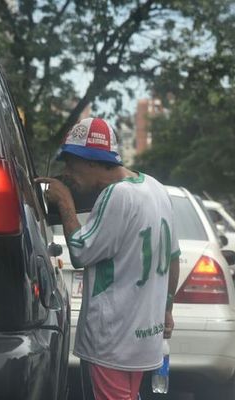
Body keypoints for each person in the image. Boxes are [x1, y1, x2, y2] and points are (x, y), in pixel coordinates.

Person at [37, 117, 180, 400]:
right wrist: (167, 309)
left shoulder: (115, 195)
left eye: (70, 163)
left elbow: (80, 251)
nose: (68, 173)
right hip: (143, 335)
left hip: (112, 337)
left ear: (91, 162)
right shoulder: (156, 188)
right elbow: (174, 259)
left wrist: (64, 200)